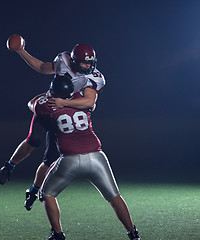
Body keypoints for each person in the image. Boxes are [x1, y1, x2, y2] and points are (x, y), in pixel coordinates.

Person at [0, 37, 105, 211]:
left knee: (50, 160)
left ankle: (33, 191)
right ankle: (9, 165)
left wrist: (63, 103)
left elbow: (89, 102)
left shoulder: (95, 77)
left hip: (66, 112)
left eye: (89, 63)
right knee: (34, 140)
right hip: (50, 103)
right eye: (84, 63)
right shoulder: (63, 60)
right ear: (74, 60)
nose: (88, 66)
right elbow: (41, 67)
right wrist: (21, 51)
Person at [32, 76, 141, 240]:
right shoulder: (83, 100)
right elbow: (90, 102)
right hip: (96, 157)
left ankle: (58, 234)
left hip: (69, 160)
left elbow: (32, 104)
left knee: (46, 194)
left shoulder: (46, 105)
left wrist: (52, 96)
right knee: (114, 196)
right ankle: (133, 233)